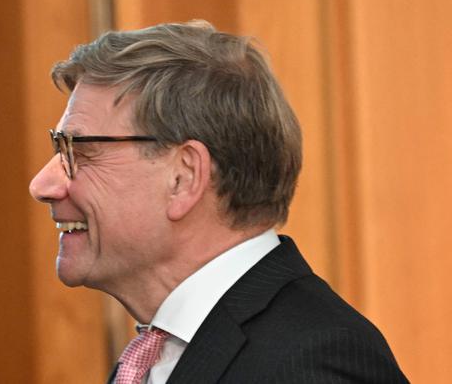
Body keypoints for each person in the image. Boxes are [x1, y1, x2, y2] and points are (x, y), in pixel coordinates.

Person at [29, 21, 407, 383]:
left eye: (81, 152)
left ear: (184, 176)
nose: (42, 184)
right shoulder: (157, 353)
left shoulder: (311, 361)